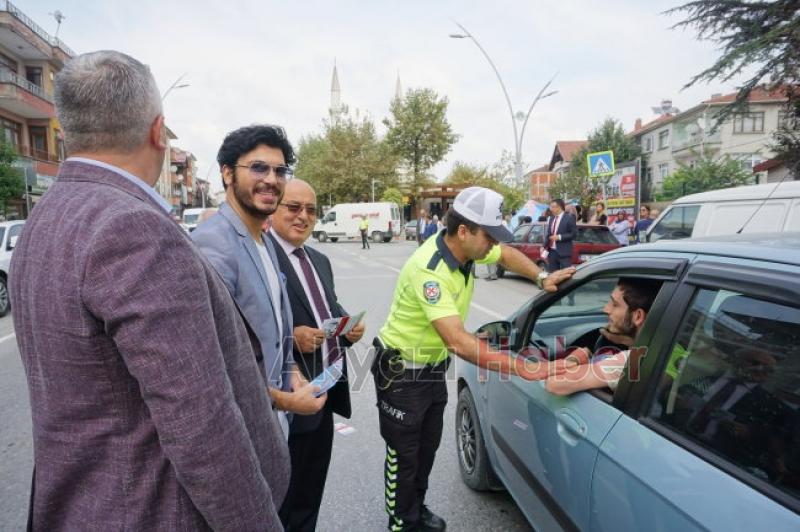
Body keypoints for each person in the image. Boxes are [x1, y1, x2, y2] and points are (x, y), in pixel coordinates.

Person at [9, 50, 289, 530]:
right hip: (148, 511)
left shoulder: (46, 217)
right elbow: (201, 425)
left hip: (78, 504)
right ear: (158, 131)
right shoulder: (133, 228)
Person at [372, 186, 575, 532]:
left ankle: (416, 508)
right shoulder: (430, 269)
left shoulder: (467, 250)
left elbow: (505, 255)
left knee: (428, 446)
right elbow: (459, 343)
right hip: (402, 372)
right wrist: (526, 367)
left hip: (431, 368)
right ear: (463, 231)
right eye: (489, 236)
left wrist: (540, 277)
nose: (493, 245)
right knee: (403, 453)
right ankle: (401, 521)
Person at [193, 125, 325, 440]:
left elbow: (273, 334)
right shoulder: (214, 245)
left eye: (279, 171)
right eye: (258, 167)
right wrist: (285, 400)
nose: (271, 179)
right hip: (240, 430)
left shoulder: (262, 242)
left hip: (273, 424)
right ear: (227, 173)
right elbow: (211, 366)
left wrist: (291, 371)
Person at [268, 179, 366, 531]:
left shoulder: (319, 260)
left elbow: (331, 310)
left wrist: (348, 329)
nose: (303, 216)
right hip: (283, 398)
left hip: (324, 393)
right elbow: (245, 325)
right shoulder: (261, 254)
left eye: (311, 210)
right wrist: (291, 338)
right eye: (293, 207)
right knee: (280, 500)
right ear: (273, 209)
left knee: (310, 494)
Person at [545, 277, 661, 396]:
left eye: (615, 304)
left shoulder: (632, 361)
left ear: (638, 316)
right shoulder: (666, 348)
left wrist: (575, 358)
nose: (606, 309)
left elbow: (554, 384)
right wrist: (629, 342)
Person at [542, 198, 577, 272]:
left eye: (552, 207)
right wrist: (543, 246)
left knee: (566, 274)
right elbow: (549, 234)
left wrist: (560, 237)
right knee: (553, 274)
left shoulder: (569, 218)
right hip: (552, 252)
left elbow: (574, 234)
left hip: (564, 252)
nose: (551, 209)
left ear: (559, 207)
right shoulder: (551, 218)